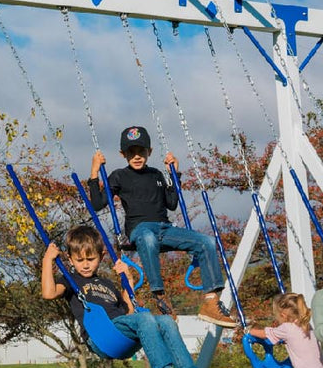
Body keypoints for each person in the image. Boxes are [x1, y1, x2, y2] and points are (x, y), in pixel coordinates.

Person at [40, 225, 216, 368]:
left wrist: (128, 280)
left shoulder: (107, 284)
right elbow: (49, 293)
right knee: (145, 318)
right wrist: (47, 260)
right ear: (70, 260)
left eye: (91, 259)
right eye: (79, 260)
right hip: (102, 336)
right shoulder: (71, 281)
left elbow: (129, 311)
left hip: (122, 332)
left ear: (101, 257)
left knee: (166, 321)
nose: (85, 264)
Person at [87, 125, 232, 327]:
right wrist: (94, 172)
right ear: (123, 154)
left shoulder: (156, 175)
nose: (137, 156)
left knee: (206, 241)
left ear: (150, 152)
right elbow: (97, 204)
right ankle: (160, 296)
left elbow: (172, 203)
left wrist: (174, 173)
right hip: (140, 230)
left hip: (165, 228)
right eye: (131, 152)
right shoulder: (119, 176)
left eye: (141, 151)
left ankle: (210, 301)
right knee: (148, 238)